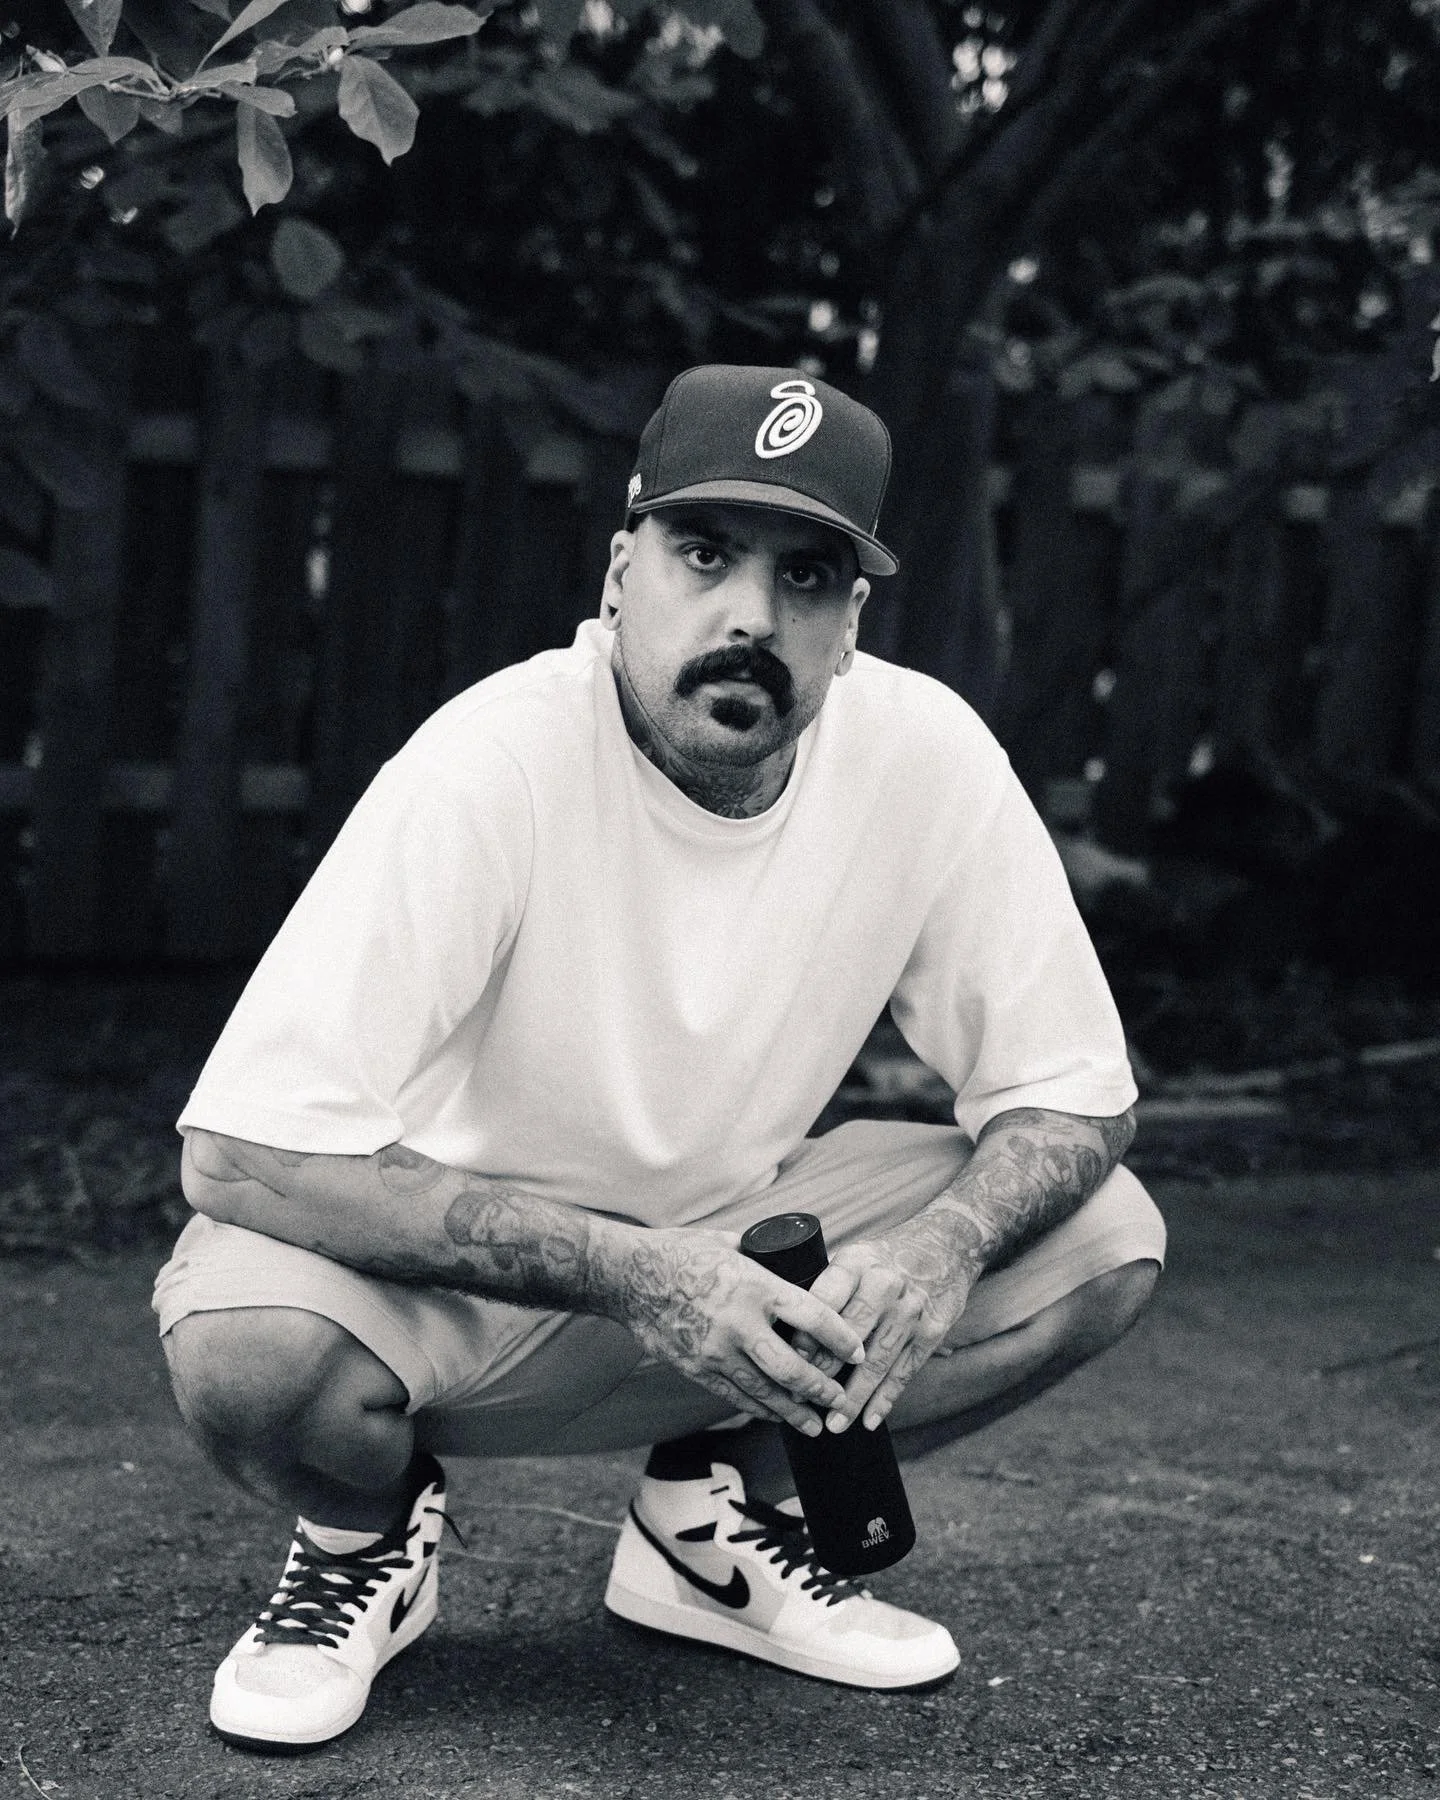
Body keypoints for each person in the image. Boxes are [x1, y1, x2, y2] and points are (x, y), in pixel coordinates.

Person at [155, 364, 1165, 1753]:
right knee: (246, 1346)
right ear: (623, 570)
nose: (750, 615)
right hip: (447, 1290)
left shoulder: (925, 757)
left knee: (1101, 1236)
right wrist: (636, 1271)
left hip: (739, 1258)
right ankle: (359, 1545)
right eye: (706, 554)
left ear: (851, 623)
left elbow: (1073, 1091)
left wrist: (943, 1245)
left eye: (806, 576)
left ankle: (710, 1520)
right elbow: (241, 1149)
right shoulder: (491, 765)